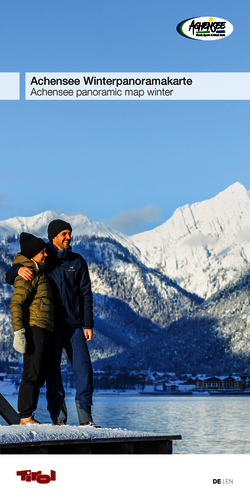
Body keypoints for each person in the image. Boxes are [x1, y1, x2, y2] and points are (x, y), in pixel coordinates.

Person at [6, 219, 98, 427]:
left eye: (70, 233)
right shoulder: (44, 257)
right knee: (52, 373)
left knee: (84, 370)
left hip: (75, 326)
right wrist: (17, 270)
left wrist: (88, 324)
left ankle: (86, 418)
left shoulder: (78, 261)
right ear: (53, 236)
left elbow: (86, 294)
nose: (68, 237)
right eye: (64, 233)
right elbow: (16, 272)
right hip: (50, 327)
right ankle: (59, 419)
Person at [10, 232, 54, 425]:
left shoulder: (38, 271)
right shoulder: (28, 273)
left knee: (39, 373)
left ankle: (29, 415)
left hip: (43, 327)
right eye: (42, 252)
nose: (46, 254)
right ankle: (25, 415)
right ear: (32, 254)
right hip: (33, 328)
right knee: (32, 372)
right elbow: (16, 304)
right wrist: (19, 332)